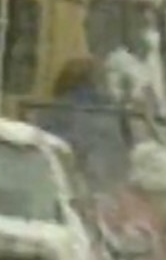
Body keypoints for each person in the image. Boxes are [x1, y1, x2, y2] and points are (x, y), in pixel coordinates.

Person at [30, 56, 132, 192]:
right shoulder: (115, 113)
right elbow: (129, 150)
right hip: (110, 189)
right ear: (98, 83)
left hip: (63, 189)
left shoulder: (48, 113)